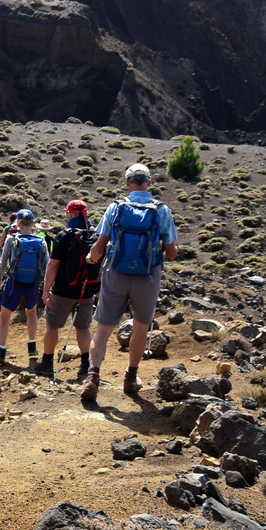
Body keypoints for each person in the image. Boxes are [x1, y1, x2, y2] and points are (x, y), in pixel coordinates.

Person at [82, 163, 179, 404]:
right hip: (147, 276)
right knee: (140, 326)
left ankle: (92, 378)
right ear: (149, 182)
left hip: (115, 273)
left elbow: (99, 245)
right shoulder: (161, 210)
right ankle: (130, 378)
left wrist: (91, 258)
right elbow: (172, 253)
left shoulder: (116, 207)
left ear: (127, 183)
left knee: (103, 328)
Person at [40, 199, 99, 380]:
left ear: (69, 213)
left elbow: (53, 265)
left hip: (64, 290)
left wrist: (46, 289)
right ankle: (86, 366)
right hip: (87, 289)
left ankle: (47, 364)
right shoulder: (95, 234)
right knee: (83, 328)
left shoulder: (65, 234)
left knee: (52, 325)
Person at [0, 208, 47, 366]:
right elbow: (47, 264)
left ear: (18, 223)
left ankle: (1, 351)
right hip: (33, 283)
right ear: (33, 223)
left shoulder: (11, 238)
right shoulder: (41, 241)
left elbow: (3, 262)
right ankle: (32, 347)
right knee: (32, 312)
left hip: (14, 282)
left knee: (4, 315)